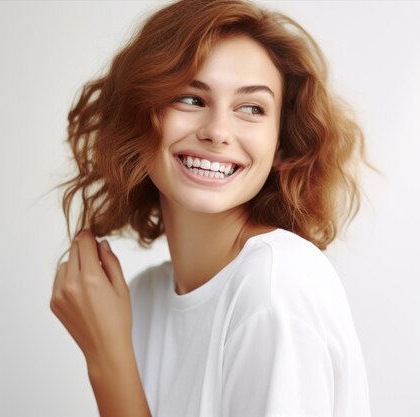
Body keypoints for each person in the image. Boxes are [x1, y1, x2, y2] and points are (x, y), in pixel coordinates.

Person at [50, 1, 371, 416]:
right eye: (189, 98)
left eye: (251, 108)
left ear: (281, 143)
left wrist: (107, 360)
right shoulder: (144, 299)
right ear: (138, 117)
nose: (218, 132)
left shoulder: (276, 287)